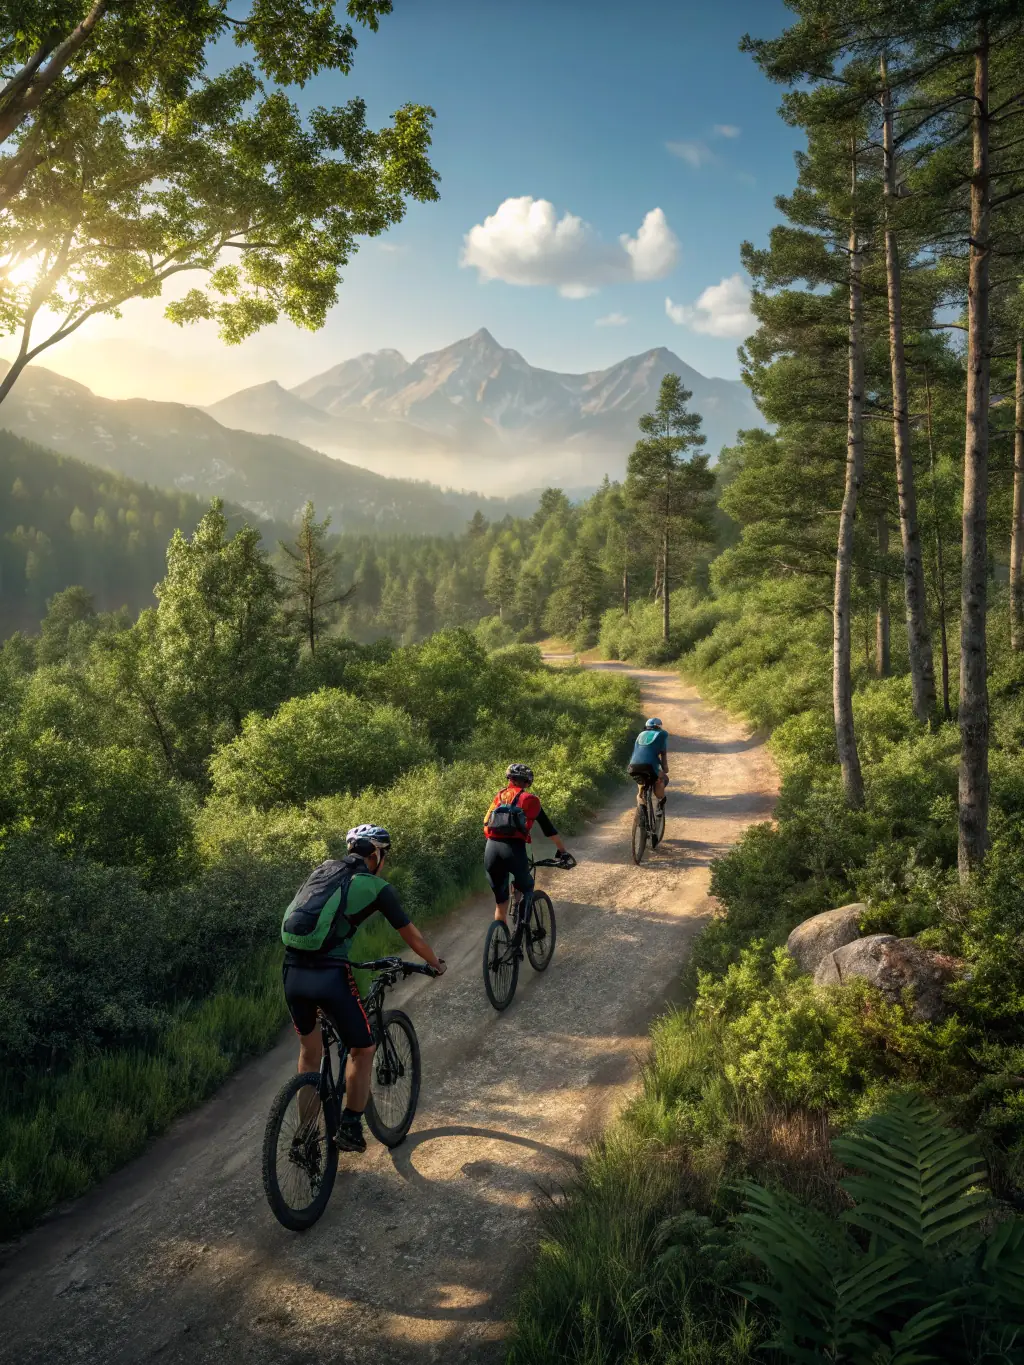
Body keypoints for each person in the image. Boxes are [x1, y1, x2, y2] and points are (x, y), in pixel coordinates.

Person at [281, 824, 445, 1154]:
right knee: (363, 1049)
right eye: (383, 856)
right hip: (330, 976)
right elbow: (411, 936)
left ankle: (307, 1137)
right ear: (375, 856)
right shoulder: (375, 886)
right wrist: (435, 965)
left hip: (292, 971)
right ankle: (352, 1126)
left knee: (310, 1055)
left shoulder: (324, 872)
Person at [483, 763, 573, 925]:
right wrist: (563, 851)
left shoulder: (499, 796)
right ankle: (520, 932)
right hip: (513, 849)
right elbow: (549, 830)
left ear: (510, 780)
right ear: (527, 782)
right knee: (526, 885)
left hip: (491, 848)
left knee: (501, 901)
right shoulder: (530, 800)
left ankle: (499, 940)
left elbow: (485, 823)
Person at [628, 717, 669, 808]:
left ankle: (640, 795)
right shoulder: (662, 734)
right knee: (661, 778)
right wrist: (665, 769)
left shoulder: (640, 734)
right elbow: (663, 755)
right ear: (659, 727)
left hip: (633, 767)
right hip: (649, 767)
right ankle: (660, 802)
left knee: (641, 777)